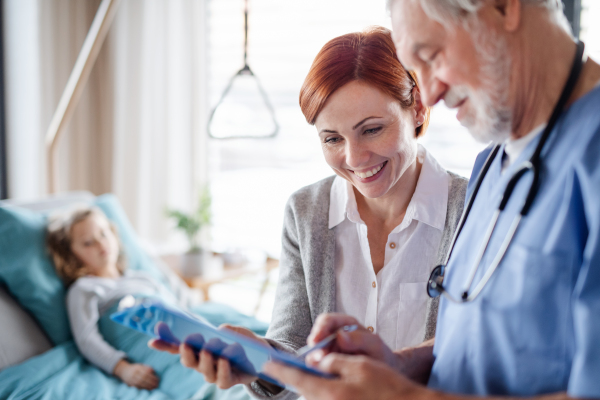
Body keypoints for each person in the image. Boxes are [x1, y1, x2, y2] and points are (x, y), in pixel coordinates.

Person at [262, 0, 600, 399]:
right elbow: (478, 338)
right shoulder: (493, 164)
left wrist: (402, 396)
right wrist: (397, 363)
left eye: (431, 55)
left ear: (504, 7)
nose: (430, 93)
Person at [151, 26, 468, 399]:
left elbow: (479, 348)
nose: (354, 158)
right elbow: (291, 343)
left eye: (372, 130)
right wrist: (258, 357)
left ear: (417, 108)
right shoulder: (306, 211)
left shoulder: (471, 207)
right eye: (332, 138)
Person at [46, 206, 267, 398]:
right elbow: (87, 340)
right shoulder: (84, 288)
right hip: (153, 346)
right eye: (88, 243)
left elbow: (179, 306)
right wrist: (122, 369)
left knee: (241, 366)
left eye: (103, 234)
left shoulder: (141, 277)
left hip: (187, 332)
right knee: (214, 381)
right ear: (71, 255)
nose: (100, 244)